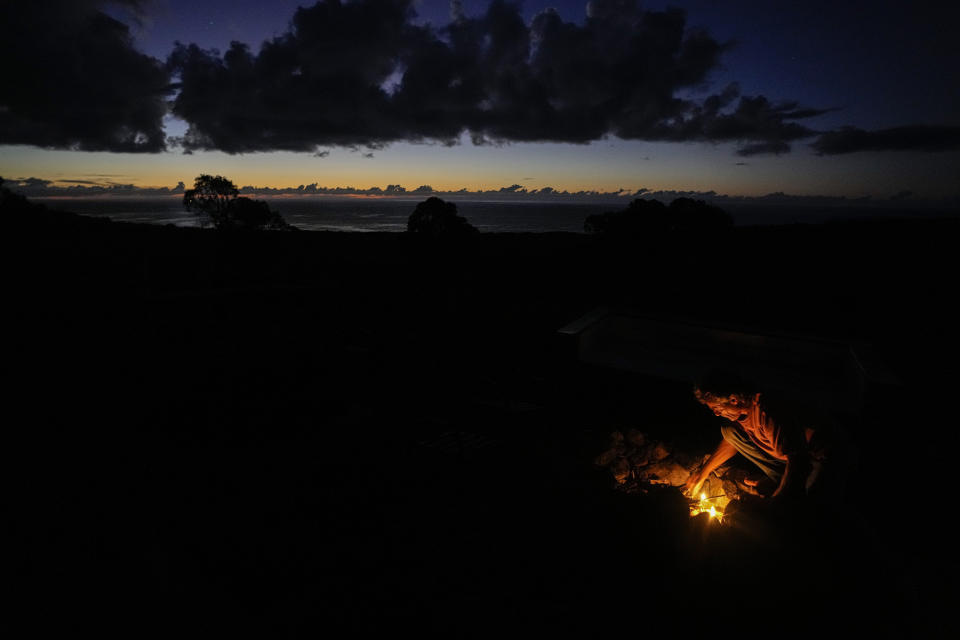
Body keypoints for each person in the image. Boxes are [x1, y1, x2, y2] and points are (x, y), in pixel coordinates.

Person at [683, 369, 854, 507]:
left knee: (805, 504)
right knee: (729, 432)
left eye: (717, 408)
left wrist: (773, 505)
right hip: (789, 456)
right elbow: (731, 442)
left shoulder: (767, 411)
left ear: (734, 400)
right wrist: (703, 473)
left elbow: (798, 462)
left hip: (819, 459)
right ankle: (779, 481)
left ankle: (784, 488)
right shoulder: (742, 412)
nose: (716, 413)